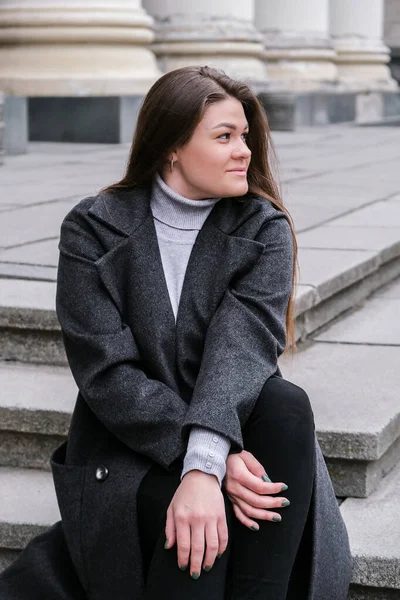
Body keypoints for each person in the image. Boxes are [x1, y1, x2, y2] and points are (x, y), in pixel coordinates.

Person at [0, 65, 352, 600]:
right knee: (191, 519)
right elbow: (107, 373)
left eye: (246, 137)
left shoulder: (262, 228)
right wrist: (206, 465)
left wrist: (206, 464)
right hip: (131, 442)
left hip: (234, 423)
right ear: (171, 146)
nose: (245, 151)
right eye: (225, 137)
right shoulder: (93, 229)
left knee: (283, 404)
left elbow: (243, 348)